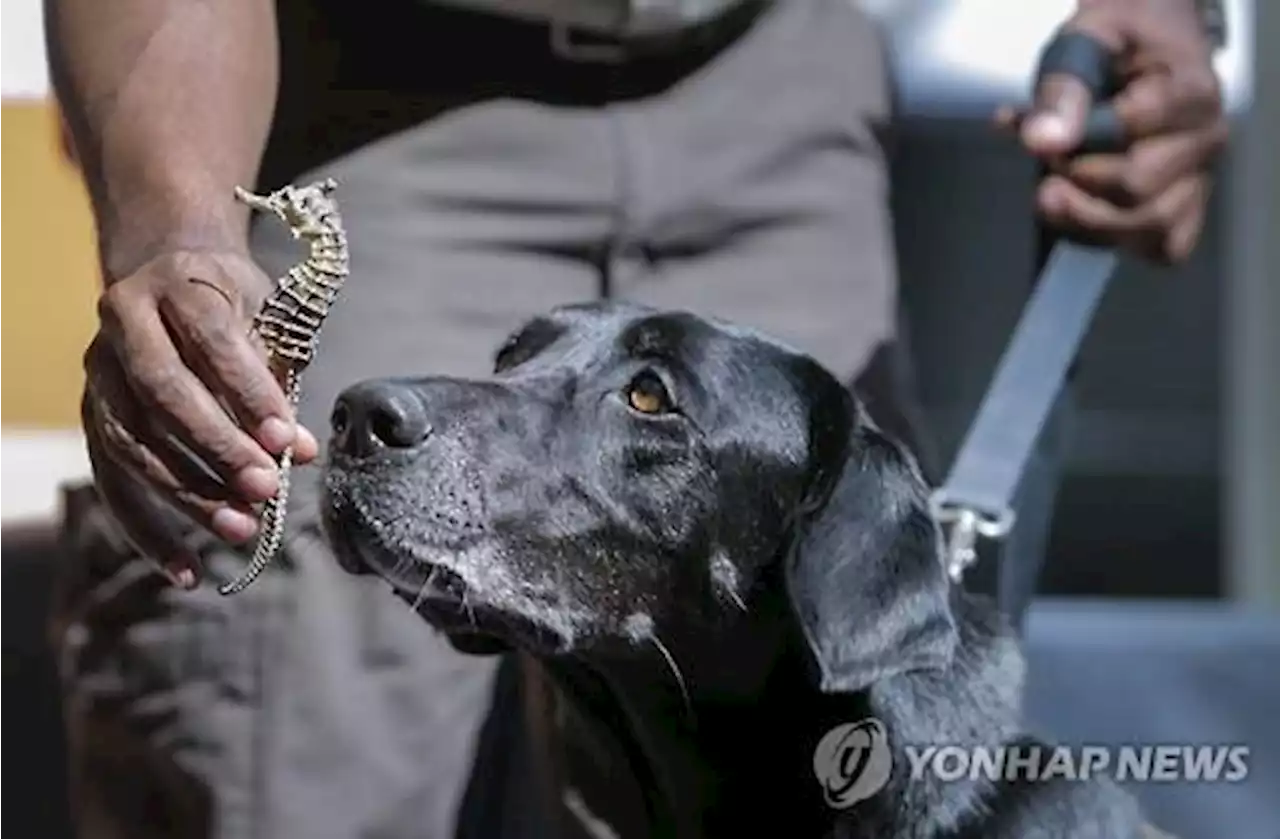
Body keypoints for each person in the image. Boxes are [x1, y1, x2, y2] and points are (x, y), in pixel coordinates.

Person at [44, 0, 1225, 837]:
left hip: (779, 72)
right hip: (369, 76)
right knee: (296, 735)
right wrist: (179, 233)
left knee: (832, 693)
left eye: (644, 402)